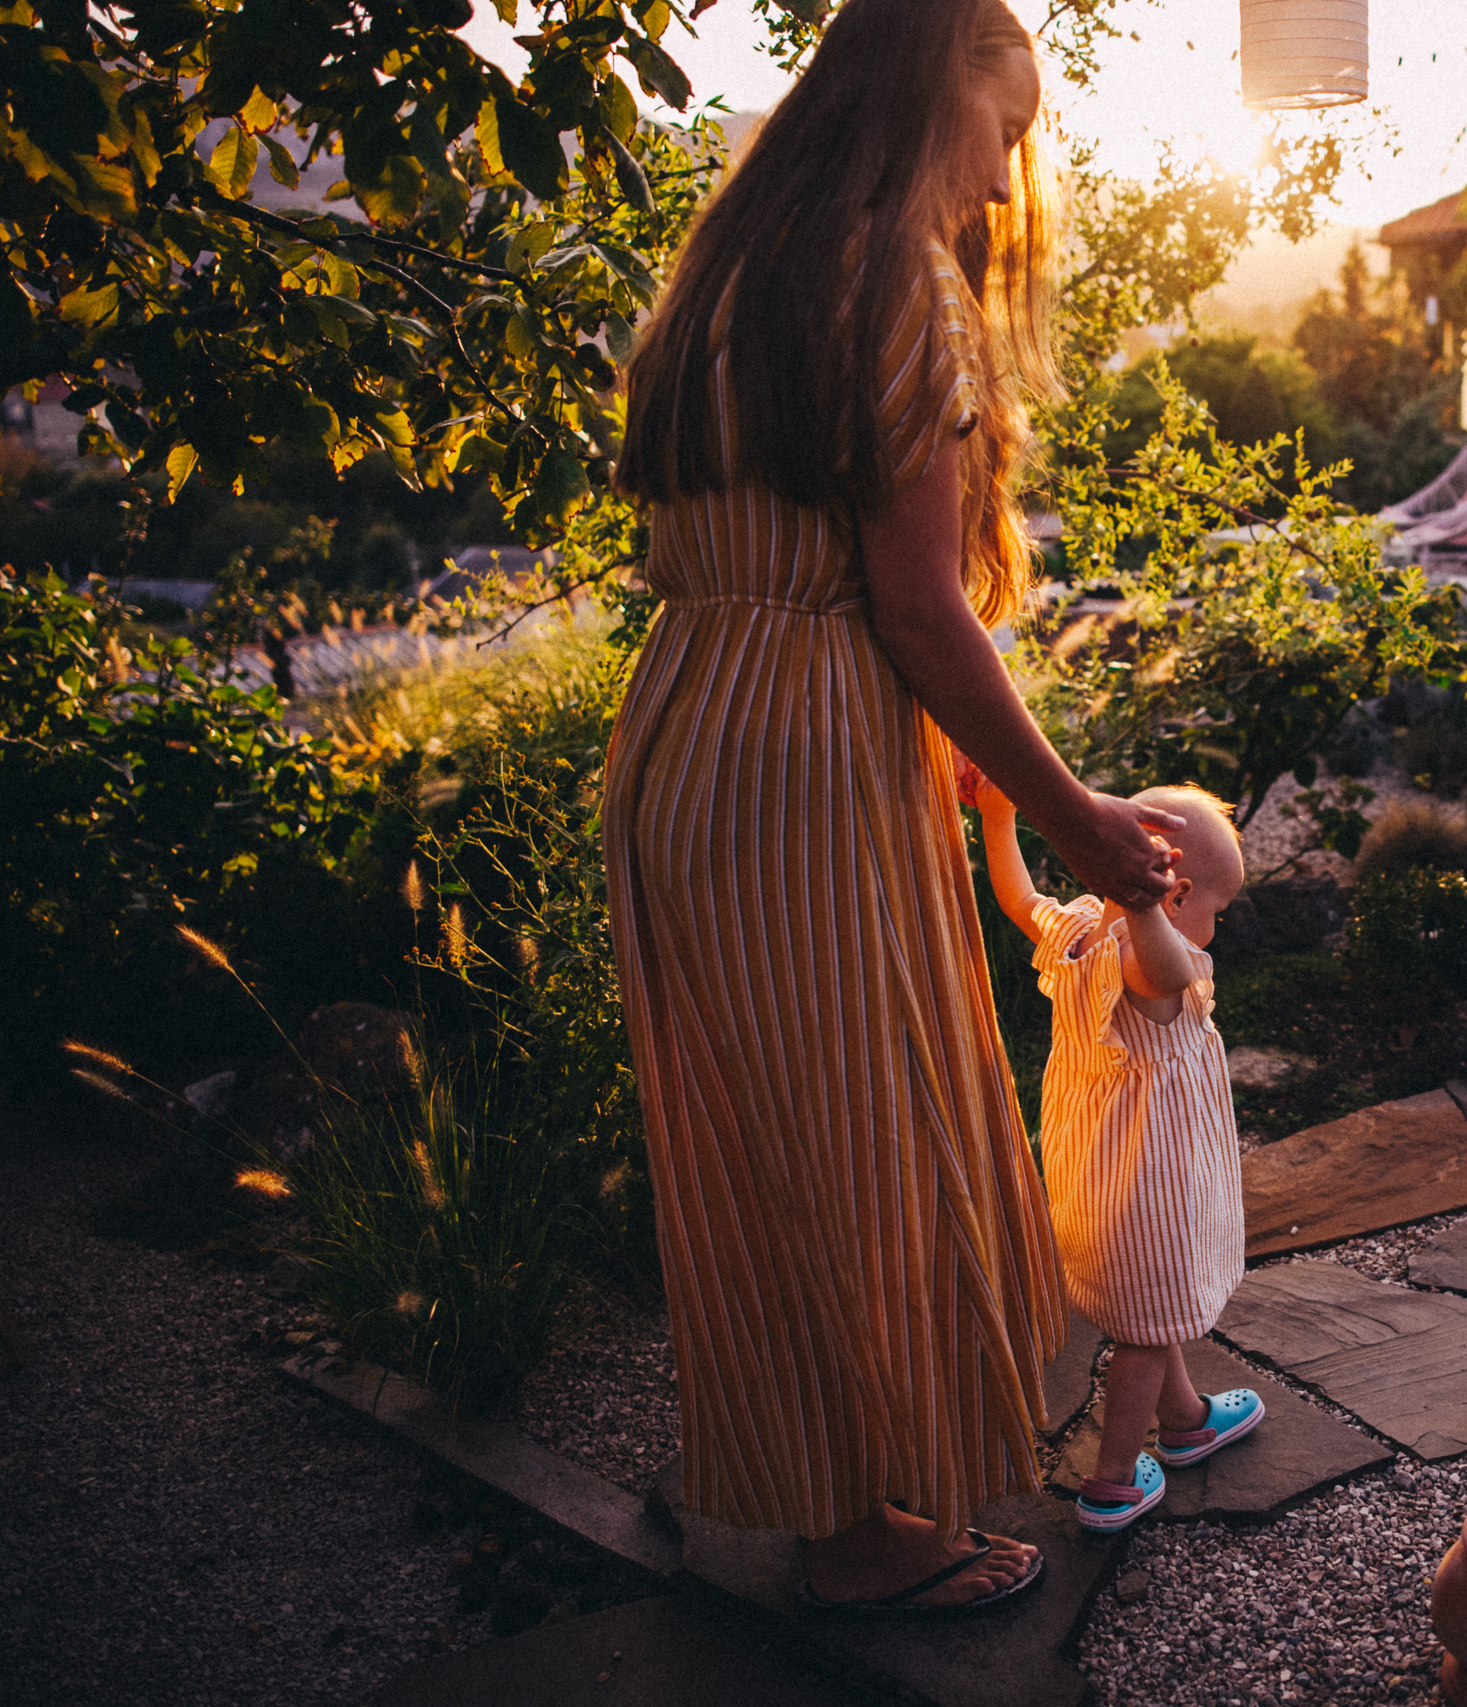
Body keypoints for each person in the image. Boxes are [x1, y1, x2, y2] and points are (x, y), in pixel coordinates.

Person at [603, 0, 1185, 1615]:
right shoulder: (893, 279)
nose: (1007, 186)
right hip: (801, 758)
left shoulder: (734, 272)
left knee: (759, 1150)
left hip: (684, 730)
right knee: (870, 1137)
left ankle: (821, 1485)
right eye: (1005, 135)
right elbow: (920, 610)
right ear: (939, 102)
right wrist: (1070, 812)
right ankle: (861, 1536)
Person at [972, 773, 1263, 1533]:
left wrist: (1000, 815)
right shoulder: (1160, 969)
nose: (1215, 930)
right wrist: (1140, 904)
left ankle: (1189, 1419)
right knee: (1141, 1332)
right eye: (1215, 911)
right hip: (1150, 1190)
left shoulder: (1076, 933)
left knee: (1146, 1305)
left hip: (1089, 1177)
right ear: (1176, 892)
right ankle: (1111, 1482)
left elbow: (1014, 897)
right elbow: (1161, 967)